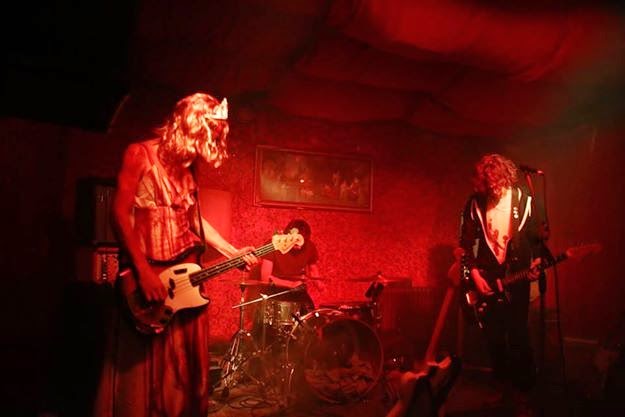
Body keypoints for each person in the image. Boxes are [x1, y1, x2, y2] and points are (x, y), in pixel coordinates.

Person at [94, 92, 258, 417]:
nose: (201, 150)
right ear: (187, 128)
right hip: (147, 279)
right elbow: (120, 213)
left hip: (184, 282)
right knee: (141, 370)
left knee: (183, 371)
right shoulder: (139, 154)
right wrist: (143, 271)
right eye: (201, 139)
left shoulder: (190, 168)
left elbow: (194, 220)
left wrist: (232, 251)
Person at [459, 153, 546, 417]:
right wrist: (475, 275)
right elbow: (465, 243)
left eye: (484, 183)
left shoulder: (524, 199)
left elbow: (536, 236)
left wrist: (537, 259)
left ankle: (523, 394)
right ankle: (500, 386)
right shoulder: (474, 203)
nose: (479, 188)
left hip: (516, 278)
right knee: (494, 338)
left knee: (519, 336)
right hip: (486, 278)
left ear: (498, 180)